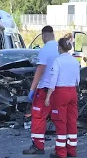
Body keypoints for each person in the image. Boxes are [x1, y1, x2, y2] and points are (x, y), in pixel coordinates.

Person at [23, 25, 59, 155]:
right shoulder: (60, 48)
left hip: (44, 90)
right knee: (60, 119)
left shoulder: (45, 50)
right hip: (59, 89)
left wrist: (32, 89)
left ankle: (38, 146)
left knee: (38, 117)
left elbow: (40, 70)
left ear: (43, 35)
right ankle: (64, 147)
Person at [45, 37, 80, 158]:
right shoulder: (75, 61)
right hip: (73, 91)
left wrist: (48, 96)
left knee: (60, 121)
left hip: (60, 92)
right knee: (72, 121)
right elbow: (78, 80)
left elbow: (53, 80)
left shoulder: (58, 61)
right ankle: (72, 151)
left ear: (59, 48)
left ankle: (61, 152)